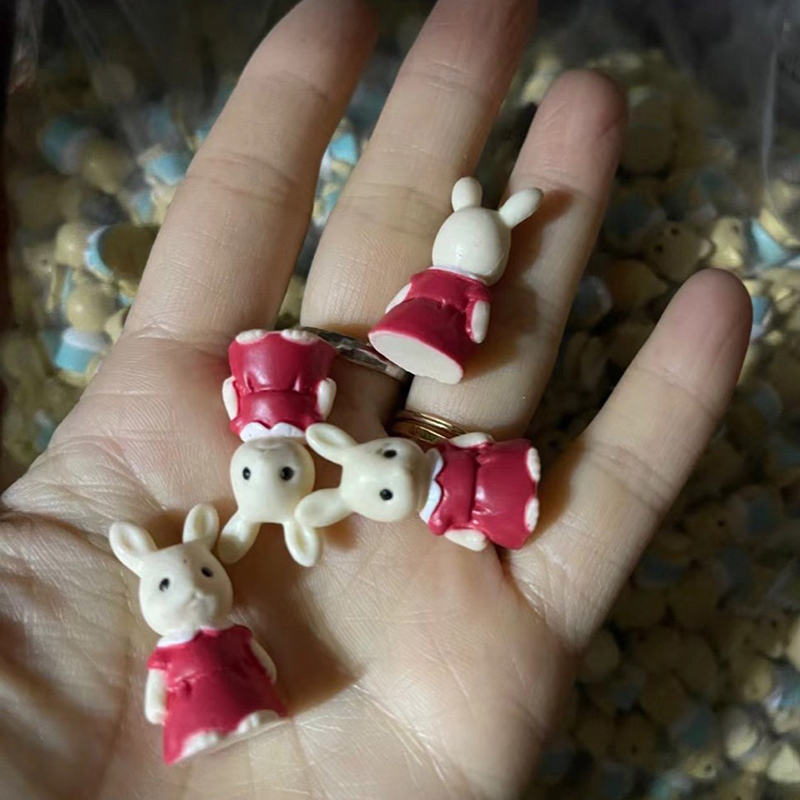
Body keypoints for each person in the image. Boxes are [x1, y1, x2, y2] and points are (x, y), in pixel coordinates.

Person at [0, 0, 751, 797]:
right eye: (188, 581)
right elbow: (190, 659)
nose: (187, 587)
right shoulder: (214, 590)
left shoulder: (311, 478)